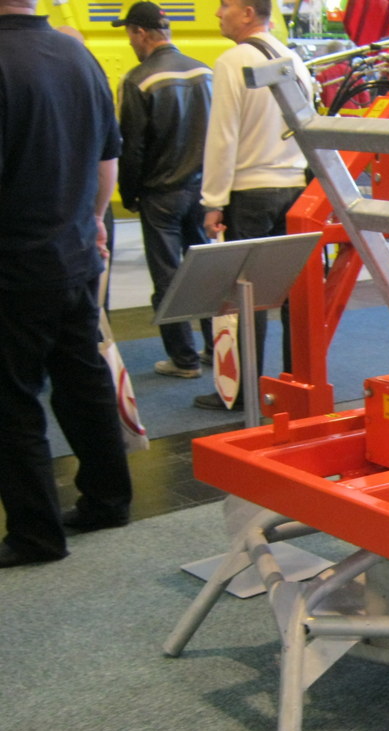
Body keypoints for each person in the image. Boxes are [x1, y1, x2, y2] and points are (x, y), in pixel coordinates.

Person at [0, 0, 133, 567]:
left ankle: (35, 534)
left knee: (13, 402)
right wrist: (94, 223)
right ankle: (108, 500)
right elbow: (107, 159)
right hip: (76, 253)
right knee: (84, 382)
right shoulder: (79, 57)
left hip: (13, 265)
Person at [199, 0, 312, 411]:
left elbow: (223, 136)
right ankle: (297, 384)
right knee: (295, 296)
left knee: (247, 297)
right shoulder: (294, 60)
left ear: (248, 13)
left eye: (225, 5)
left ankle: (243, 390)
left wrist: (213, 200)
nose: (218, 13)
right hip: (295, 189)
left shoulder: (232, 62)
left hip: (249, 192)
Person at [114, 1, 212, 380]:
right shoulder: (205, 72)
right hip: (203, 191)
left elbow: (132, 148)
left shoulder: (138, 80)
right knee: (205, 274)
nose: (130, 42)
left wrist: (129, 194)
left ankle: (183, 360)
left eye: (129, 34)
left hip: (161, 195)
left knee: (168, 277)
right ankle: (216, 351)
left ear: (141, 33)